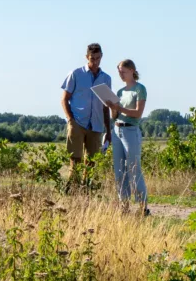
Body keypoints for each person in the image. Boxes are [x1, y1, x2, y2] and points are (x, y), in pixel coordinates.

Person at [60, 43, 112, 176]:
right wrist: (70, 120)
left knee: (92, 163)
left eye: (98, 58)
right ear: (86, 57)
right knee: (75, 160)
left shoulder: (106, 78)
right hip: (77, 122)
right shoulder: (75, 74)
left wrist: (108, 130)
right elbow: (64, 99)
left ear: (102, 57)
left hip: (96, 125)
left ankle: (86, 191)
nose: (95, 62)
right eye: (92, 58)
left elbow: (106, 106)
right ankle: (72, 190)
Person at [107, 59, 148, 215]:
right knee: (119, 170)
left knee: (133, 169)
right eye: (119, 71)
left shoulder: (140, 89)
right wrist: (113, 108)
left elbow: (138, 113)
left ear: (132, 70)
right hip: (117, 130)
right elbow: (115, 115)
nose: (121, 74)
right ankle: (123, 206)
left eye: (123, 71)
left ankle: (143, 207)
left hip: (131, 131)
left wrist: (120, 108)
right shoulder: (120, 92)